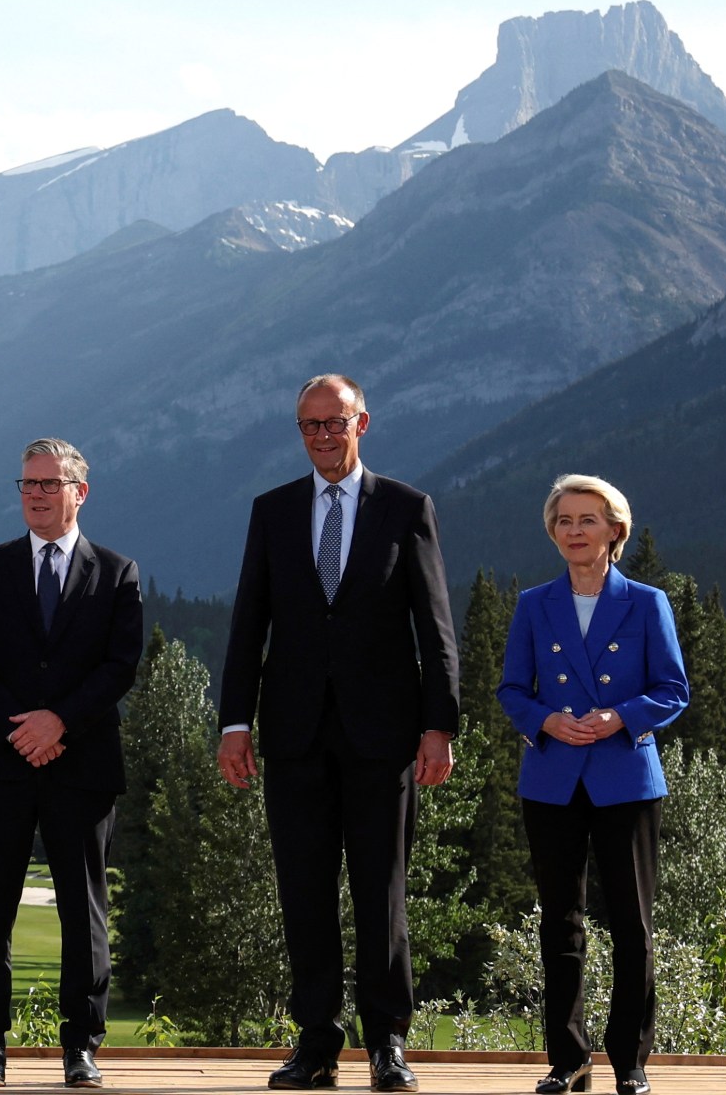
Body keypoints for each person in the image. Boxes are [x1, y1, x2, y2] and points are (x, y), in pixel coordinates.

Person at [218, 374, 458, 1093]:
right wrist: (236, 722)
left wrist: (439, 724)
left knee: (381, 892)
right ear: (300, 432)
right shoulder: (272, 511)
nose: (323, 435)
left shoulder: (408, 508)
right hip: (292, 735)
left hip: (384, 737)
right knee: (304, 893)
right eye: (309, 425)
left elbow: (435, 626)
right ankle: (316, 1043)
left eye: (335, 421)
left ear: (363, 423)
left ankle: (388, 1044)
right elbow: (247, 626)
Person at [0, 439, 141, 1090]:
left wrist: (59, 722)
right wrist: (23, 729)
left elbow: (120, 666)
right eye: (26, 483)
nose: (34, 494)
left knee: (83, 911)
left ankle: (81, 1047)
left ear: (78, 492)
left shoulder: (118, 573)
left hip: (81, 765)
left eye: (48, 484)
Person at [498, 476, 687, 1095]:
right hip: (552, 778)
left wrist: (620, 716)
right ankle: (568, 1058)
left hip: (625, 778)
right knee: (561, 922)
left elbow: (672, 689)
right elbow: (510, 691)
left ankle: (630, 1061)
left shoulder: (647, 601)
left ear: (615, 531)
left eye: (588, 520)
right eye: (564, 521)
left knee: (632, 924)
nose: (575, 531)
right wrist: (545, 719)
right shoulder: (534, 603)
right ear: (553, 533)